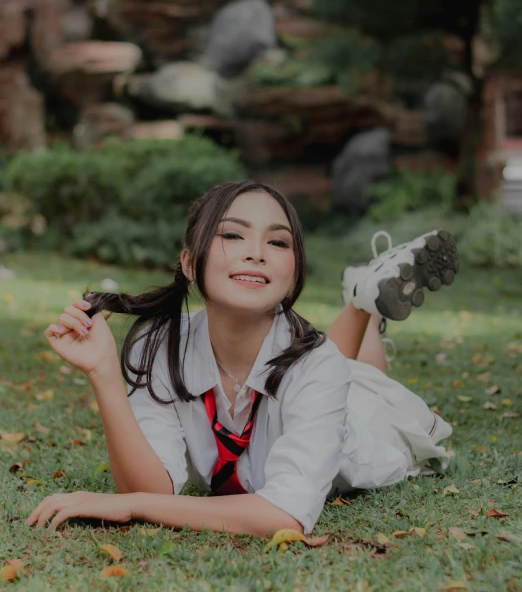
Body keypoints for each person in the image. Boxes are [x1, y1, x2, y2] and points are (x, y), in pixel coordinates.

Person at [26, 180, 457, 536]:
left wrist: (133, 506)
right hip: (313, 374)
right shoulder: (159, 345)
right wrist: (103, 373)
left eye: (277, 241)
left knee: (360, 375)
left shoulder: (320, 365)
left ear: (292, 273)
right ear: (190, 264)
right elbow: (152, 484)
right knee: (336, 365)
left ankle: (363, 301)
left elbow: (284, 516)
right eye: (232, 235)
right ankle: (362, 296)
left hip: (371, 425)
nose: (257, 251)